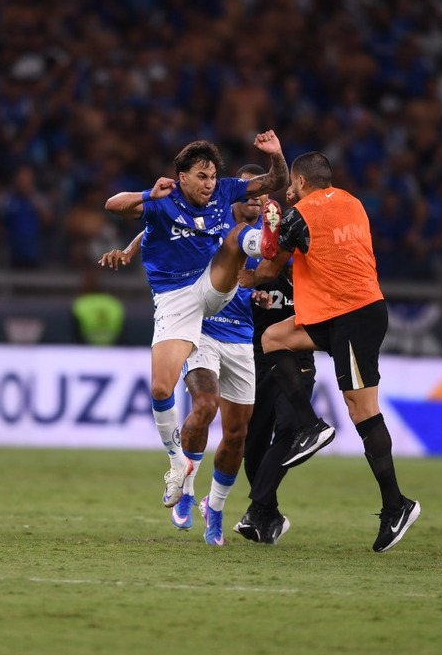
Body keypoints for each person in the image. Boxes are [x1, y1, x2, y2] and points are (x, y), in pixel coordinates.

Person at [244, 151, 420, 553]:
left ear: (301, 182)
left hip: (351, 316)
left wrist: (265, 241)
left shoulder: (299, 215)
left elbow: (271, 269)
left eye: (291, 184)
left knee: (363, 411)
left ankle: (396, 505)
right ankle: (310, 426)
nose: (289, 191)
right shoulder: (353, 203)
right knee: (274, 338)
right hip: (345, 311)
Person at [104, 132, 287, 510]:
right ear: (181, 177)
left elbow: (275, 182)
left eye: (212, 176)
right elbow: (113, 204)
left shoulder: (225, 193)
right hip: (175, 301)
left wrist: (277, 155)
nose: (209, 183)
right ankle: (177, 464)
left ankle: (265, 244)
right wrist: (146, 196)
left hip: (213, 286)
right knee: (160, 388)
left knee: (236, 238)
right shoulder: (162, 201)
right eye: (201, 176)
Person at [232, 183, 308, 546]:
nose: (255, 204)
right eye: (248, 198)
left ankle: (256, 508)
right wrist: (246, 295)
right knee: (253, 443)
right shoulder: (233, 252)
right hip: (255, 354)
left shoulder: (294, 238)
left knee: (292, 428)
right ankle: (268, 515)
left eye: (260, 198)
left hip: (295, 351)